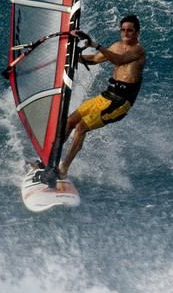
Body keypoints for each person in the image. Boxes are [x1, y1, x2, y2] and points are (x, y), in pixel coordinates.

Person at [58, 14, 146, 177]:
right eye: (123, 30)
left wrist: (96, 45)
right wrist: (70, 57)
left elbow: (119, 60)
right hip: (106, 96)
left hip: (120, 103)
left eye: (130, 30)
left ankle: (63, 169)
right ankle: (51, 160)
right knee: (70, 121)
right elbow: (94, 60)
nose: (125, 33)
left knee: (81, 127)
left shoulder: (138, 50)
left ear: (137, 33)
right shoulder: (116, 46)